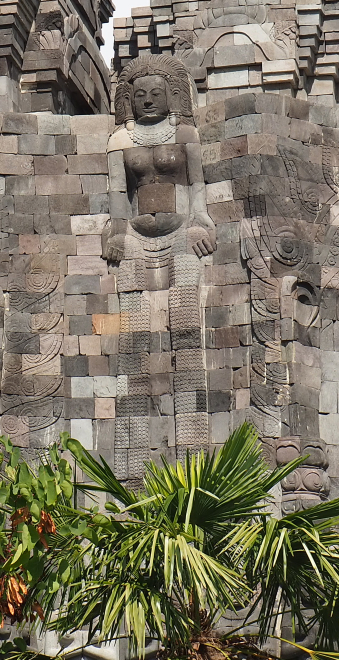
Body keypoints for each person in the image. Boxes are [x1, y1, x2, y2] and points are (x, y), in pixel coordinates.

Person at [104, 54, 215, 472]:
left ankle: (192, 458)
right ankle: (129, 470)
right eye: (139, 95)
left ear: (173, 96)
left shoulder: (185, 133)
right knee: (131, 342)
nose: (148, 100)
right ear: (128, 101)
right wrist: (116, 233)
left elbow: (197, 187)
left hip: (182, 232)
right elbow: (118, 198)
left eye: (157, 93)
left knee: (187, 331)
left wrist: (202, 224)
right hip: (134, 237)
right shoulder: (120, 141)